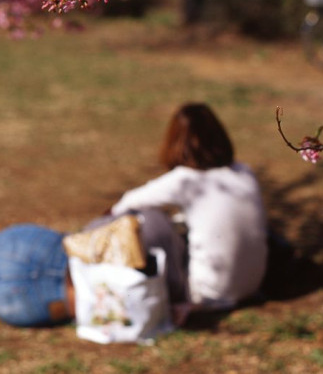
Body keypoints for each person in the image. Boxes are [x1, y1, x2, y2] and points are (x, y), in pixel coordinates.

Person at [0, 103, 266, 326]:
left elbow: (125, 205)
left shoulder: (179, 188)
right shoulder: (242, 177)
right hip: (32, 307)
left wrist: (109, 219)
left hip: (41, 257)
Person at [111, 103, 268, 310]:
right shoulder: (244, 171)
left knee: (149, 220)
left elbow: (124, 205)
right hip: (252, 285)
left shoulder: (186, 180)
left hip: (207, 295)